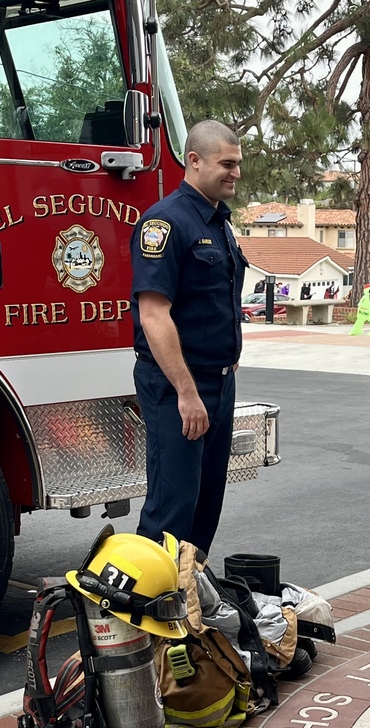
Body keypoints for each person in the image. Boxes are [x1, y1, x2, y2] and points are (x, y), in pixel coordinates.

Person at [130, 119, 247, 554]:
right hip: (179, 386)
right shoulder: (164, 223)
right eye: (227, 163)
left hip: (218, 381)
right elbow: (154, 315)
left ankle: (189, 597)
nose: (235, 172)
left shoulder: (219, 222)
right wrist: (186, 391)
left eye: (238, 164)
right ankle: (149, 609)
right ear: (193, 161)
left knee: (205, 503)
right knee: (171, 507)